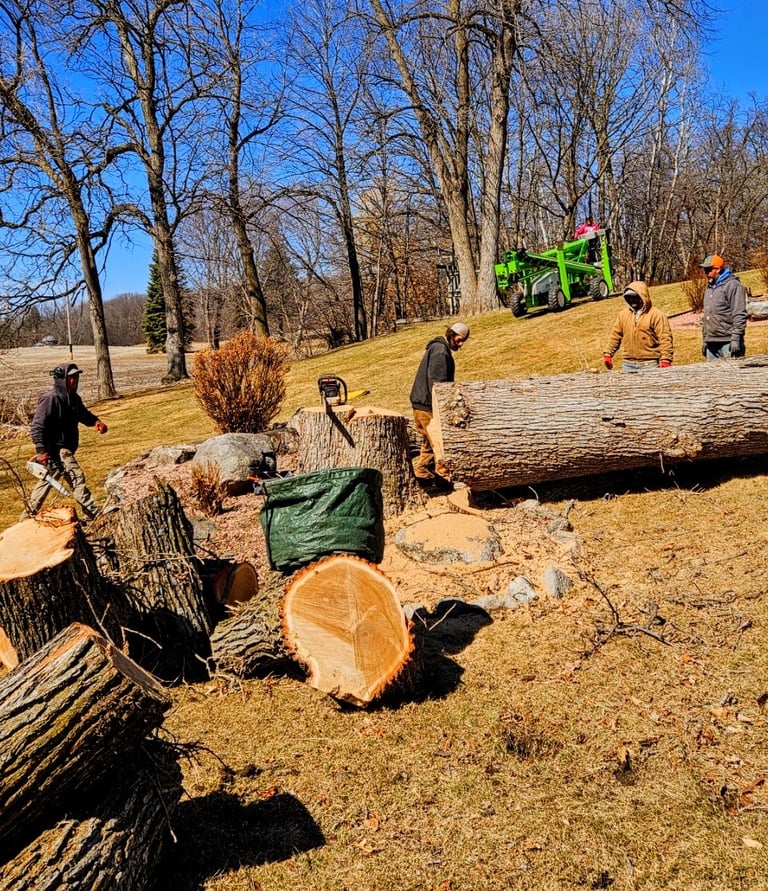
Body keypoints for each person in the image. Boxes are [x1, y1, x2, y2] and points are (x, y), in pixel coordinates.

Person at [23, 362, 108, 520]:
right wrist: (41, 451)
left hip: (65, 448)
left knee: (47, 480)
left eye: (76, 377)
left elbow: (83, 414)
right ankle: (92, 514)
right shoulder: (50, 399)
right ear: (61, 379)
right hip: (57, 449)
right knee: (77, 477)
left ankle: (26, 518)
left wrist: (96, 422)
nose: (74, 380)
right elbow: (37, 427)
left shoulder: (74, 398)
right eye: (71, 377)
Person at [409, 321, 469, 487]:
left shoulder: (437, 348)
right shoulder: (441, 352)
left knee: (428, 440)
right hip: (428, 404)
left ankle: (423, 471)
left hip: (420, 403)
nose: (461, 344)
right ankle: (444, 478)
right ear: (451, 335)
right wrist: (442, 408)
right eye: (459, 340)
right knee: (439, 441)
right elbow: (438, 385)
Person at [603, 282, 673, 372]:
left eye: (634, 297)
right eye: (629, 297)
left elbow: (665, 338)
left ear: (643, 296)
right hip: (628, 364)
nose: (632, 300)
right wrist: (608, 353)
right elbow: (615, 335)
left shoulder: (657, 315)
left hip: (650, 364)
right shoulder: (623, 315)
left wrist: (666, 359)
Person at [699, 253, 747, 360]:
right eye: (705, 270)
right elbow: (707, 315)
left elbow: (739, 314)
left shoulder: (733, 285)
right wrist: (705, 339)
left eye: (709, 269)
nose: (706, 273)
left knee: (732, 371)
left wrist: (736, 338)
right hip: (711, 342)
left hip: (728, 341)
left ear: (718, 269)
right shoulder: (709, 288)